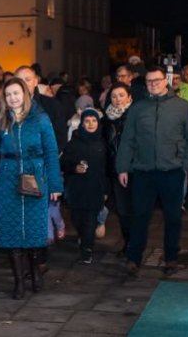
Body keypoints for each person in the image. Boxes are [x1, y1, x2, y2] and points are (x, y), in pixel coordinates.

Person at [116, 66, 188, 277]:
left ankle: (171, 257)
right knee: (140, 216)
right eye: (149, 81)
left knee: (173, 217)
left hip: (172, 171)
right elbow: (128, 140)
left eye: (157, 80)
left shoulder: (182, 107)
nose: (153, 84)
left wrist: (186, 165)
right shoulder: (138, 108)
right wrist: (123, 167)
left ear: (166, 81)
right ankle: (134, 258)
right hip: (143, 171)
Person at [0, 77, 63, 300]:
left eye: (16, 93)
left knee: (33, 228)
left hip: (35, 177)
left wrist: (55, 184)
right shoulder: (2, 120)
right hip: (8, 178)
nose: (12, 98)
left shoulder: (40, 119)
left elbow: (51, 151)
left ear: (25, 94)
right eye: (8, 94)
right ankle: (19, 281)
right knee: (12, 230)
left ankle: (35, 271)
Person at [61, 109, 108, 264]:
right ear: (81, 123)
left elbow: (108, 169)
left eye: (94, 121)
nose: (91, 124)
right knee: (77, 218)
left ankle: (87, 248)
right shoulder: (73, 143)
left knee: (90, 219)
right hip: (77, 188)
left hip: (96, 188)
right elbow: (63, 164)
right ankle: (84, 237)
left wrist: (106, 190)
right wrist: (75, 168)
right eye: (87, 121)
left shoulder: (103, 143)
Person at [103, 83, 135, 255]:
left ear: (129, 97)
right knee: (122, 211)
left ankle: (134, 245)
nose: (117, 100)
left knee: (134, 209)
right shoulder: (106, 119)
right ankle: (128, 243)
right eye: (114, 96)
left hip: (133, 169)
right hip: (114, 170)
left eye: (121, 95)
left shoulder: (135, 116)